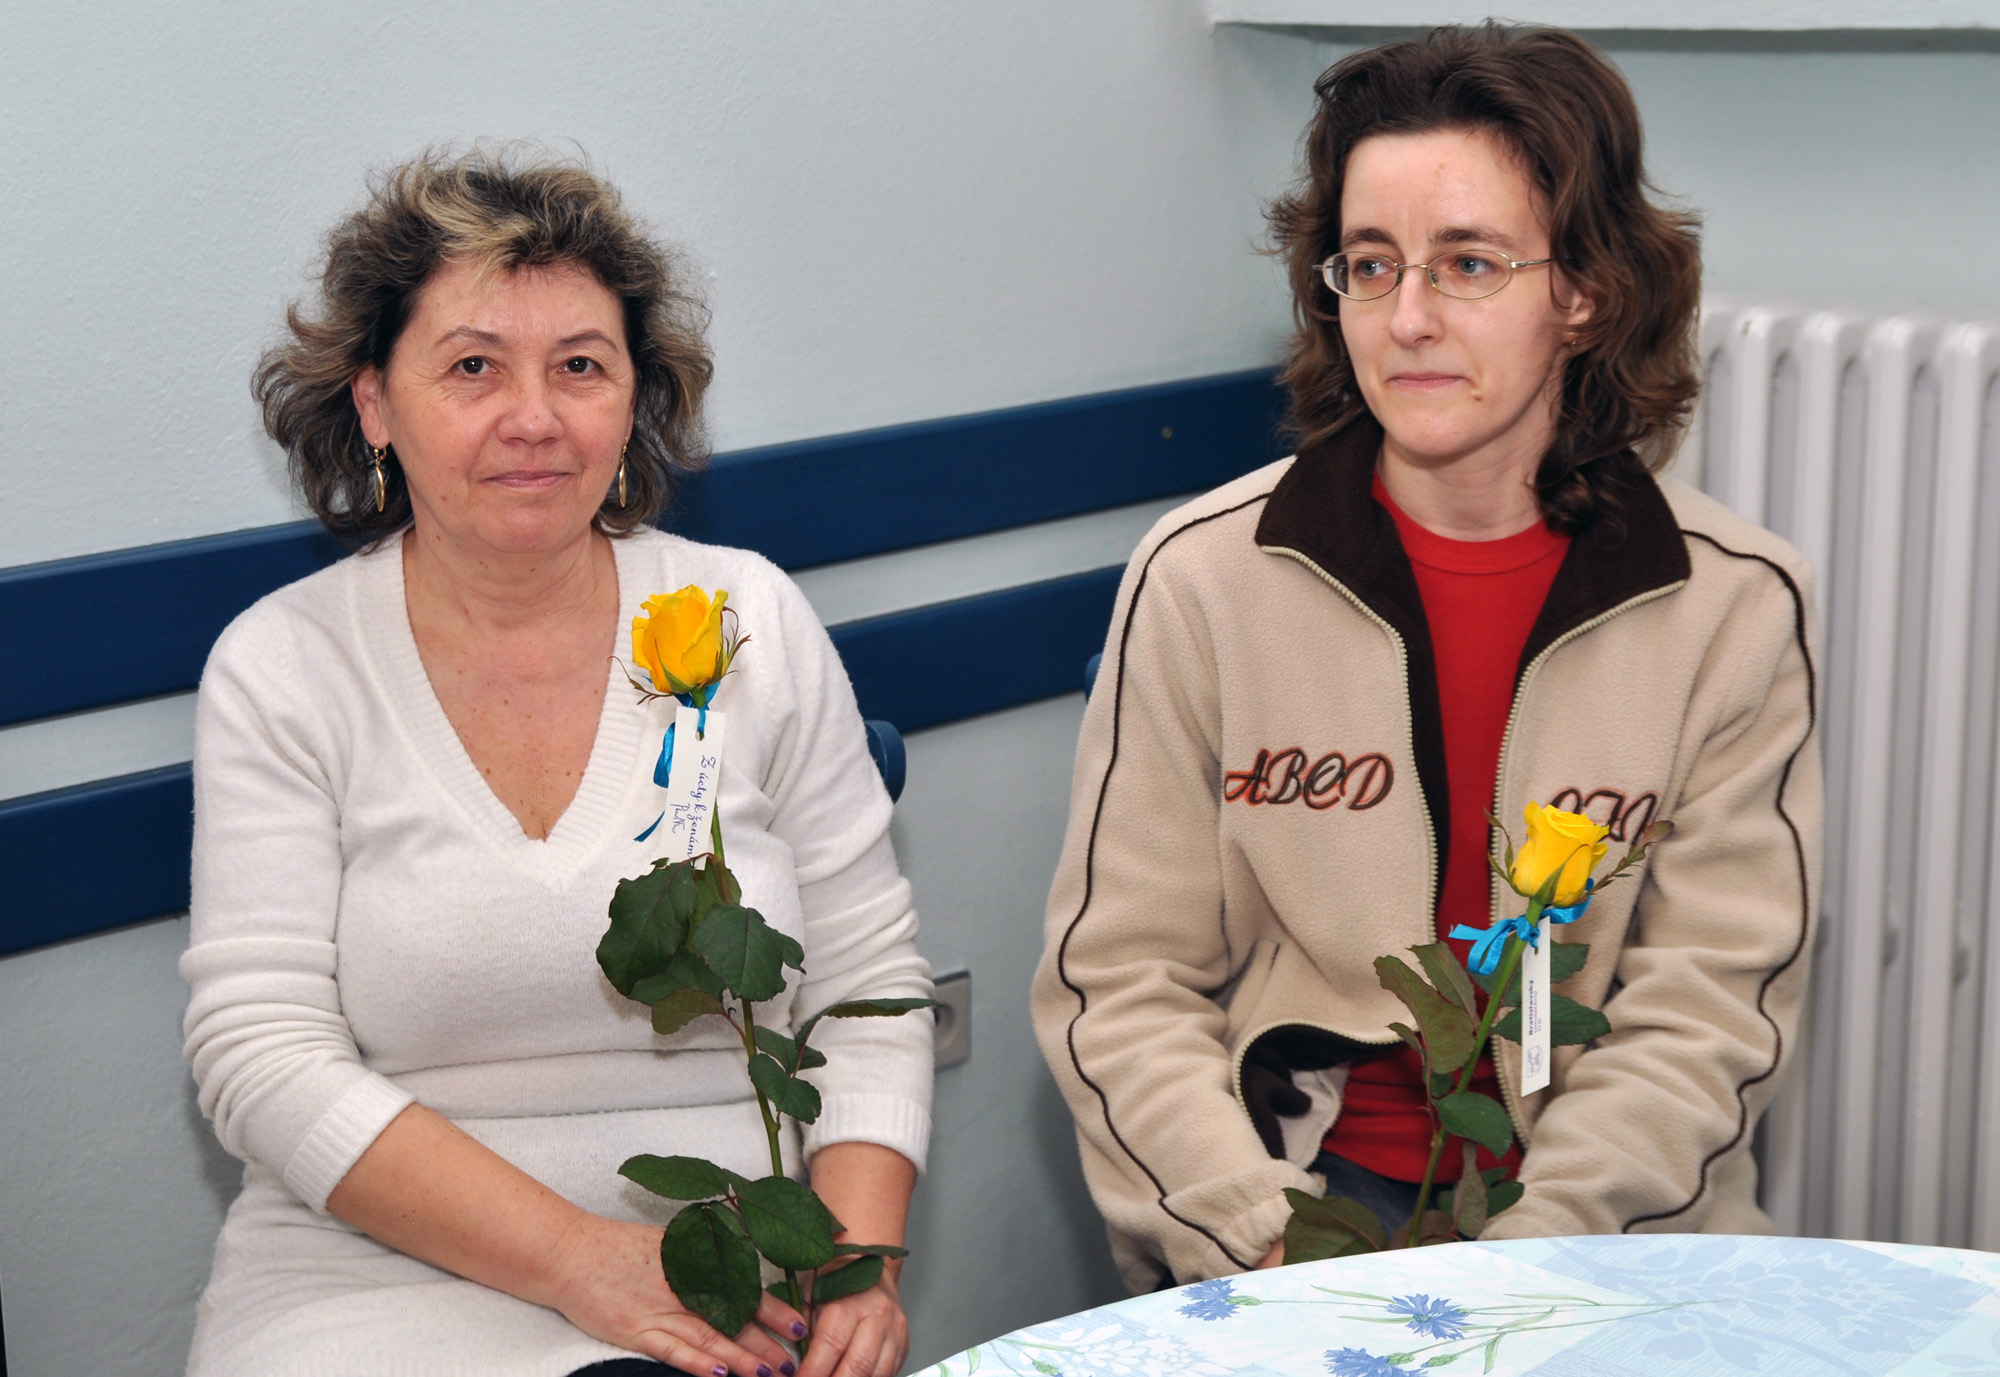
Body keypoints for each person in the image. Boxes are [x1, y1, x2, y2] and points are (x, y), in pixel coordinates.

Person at [1031, 24, 1821, 1289]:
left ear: (1584, 291)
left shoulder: (1731, 606)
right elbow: (1115, 987)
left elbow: (1705, 1015)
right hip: (1291, 1207)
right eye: (1369, 265)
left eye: (1465, 264)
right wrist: (1264, 1239)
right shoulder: (1202, 578)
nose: (1406, 320)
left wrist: (1529, 1266)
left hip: (1604, 1221)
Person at [181, 148, 933, 1377]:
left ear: (632, 399)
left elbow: (867, 987)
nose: (532, 418)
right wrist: (582, 1262)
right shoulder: (283, 666)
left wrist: (852, 1266)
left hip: (724, 1269)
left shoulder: (750, 617)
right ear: (374, 405)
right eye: (472, 366)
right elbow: (260, 1054)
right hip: (372, 1277)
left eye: (579, 367)